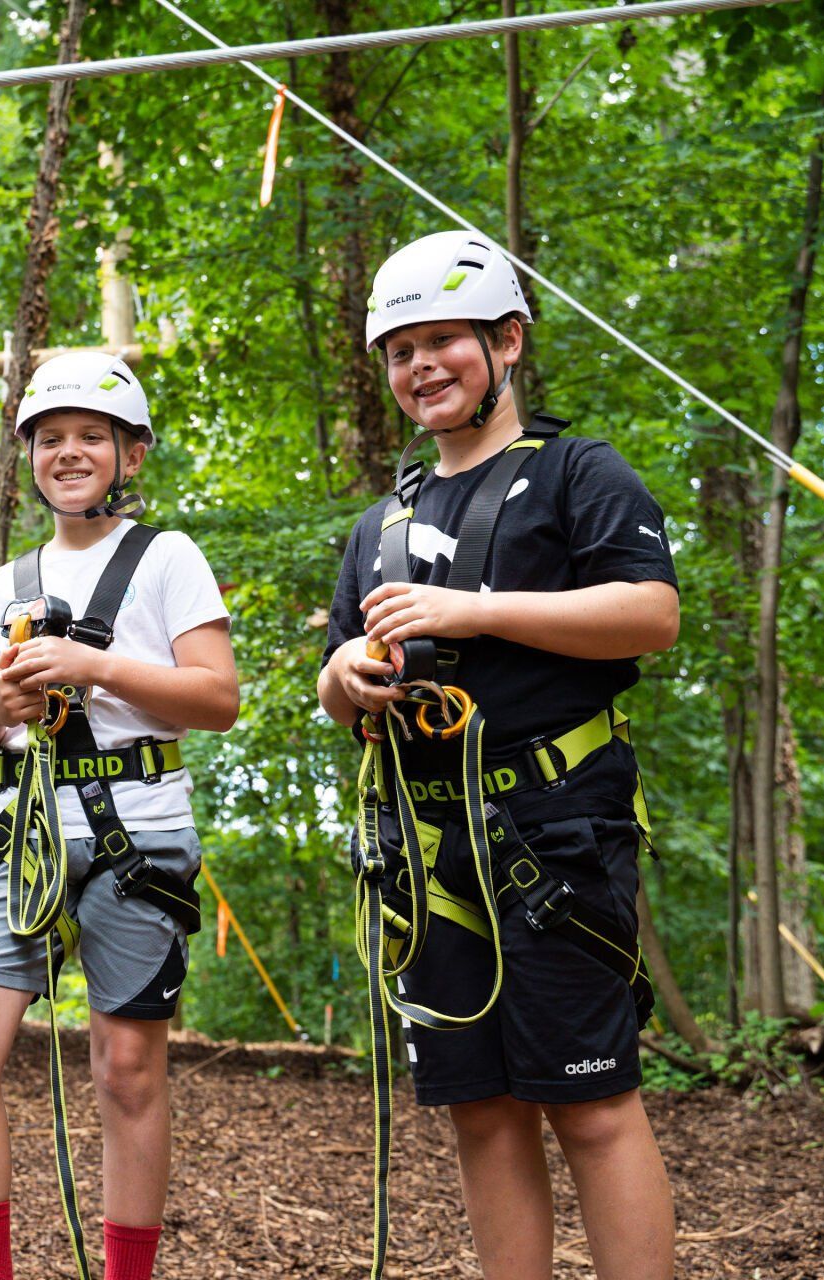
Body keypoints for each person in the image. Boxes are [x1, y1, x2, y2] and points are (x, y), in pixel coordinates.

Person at [317, 230, 681, 1280]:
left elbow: (650, 613)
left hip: (557, 826)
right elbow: (338, 679)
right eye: (400, 350)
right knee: (480, 1108)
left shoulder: (579, 472)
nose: (421, 366)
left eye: (444, 341)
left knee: (592, 1102)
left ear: (507, 340)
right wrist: (345, 679)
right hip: (428, 848)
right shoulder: (380, 525)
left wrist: (476, 608)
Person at [0, 352, 239, 1280]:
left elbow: (216, 700)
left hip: (133, 831)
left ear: (129, 455)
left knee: (127, 1070)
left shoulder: (168, 558)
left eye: (89, 438)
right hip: (18, 830)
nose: (68, 454)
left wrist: (90, 666)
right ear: (30, 458)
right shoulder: (1, 588)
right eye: (50, 439)